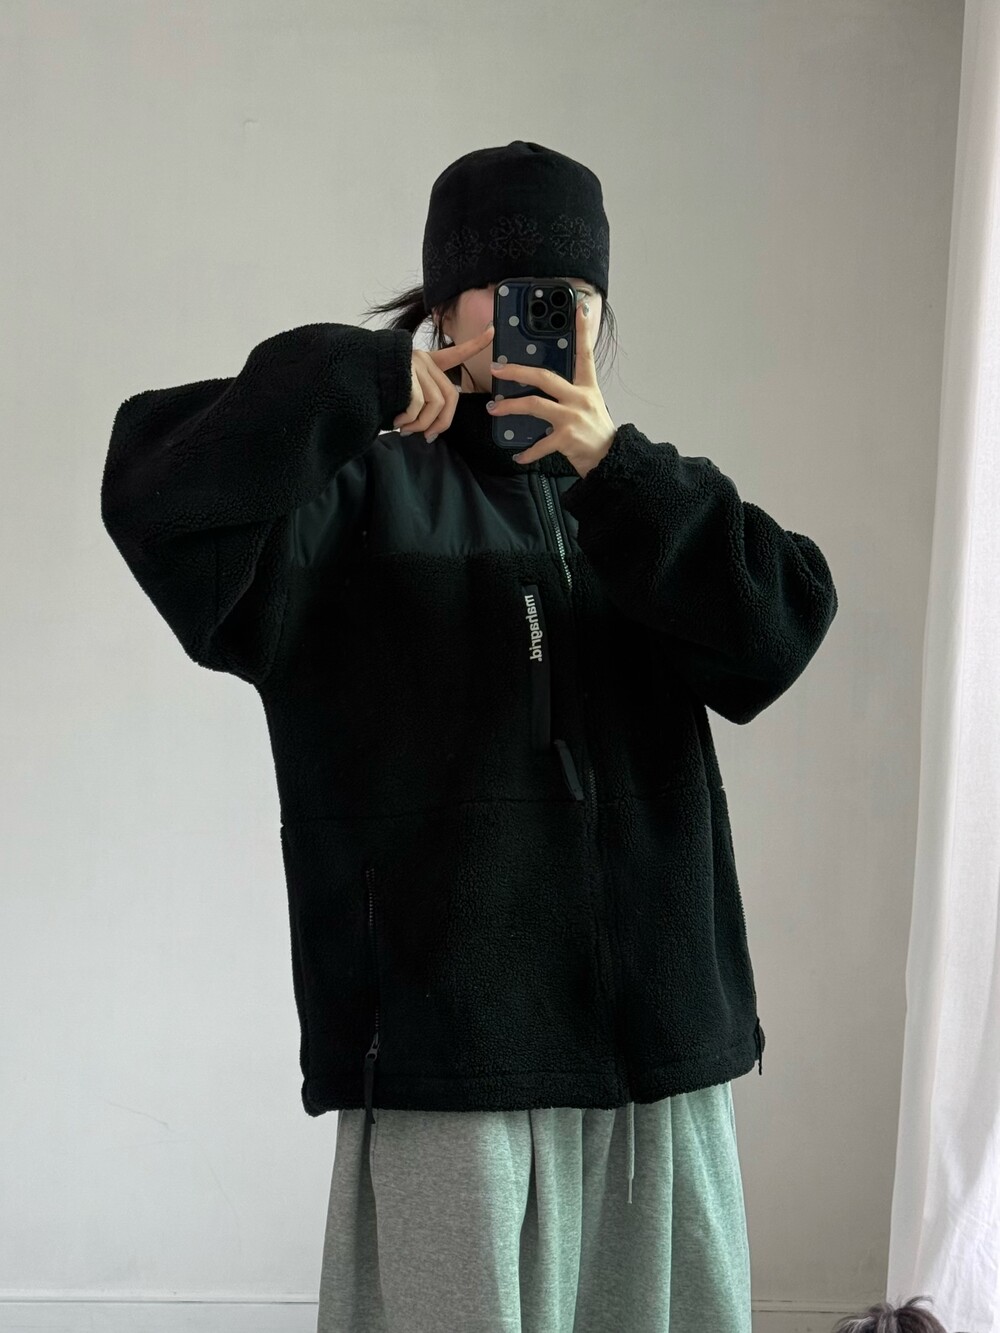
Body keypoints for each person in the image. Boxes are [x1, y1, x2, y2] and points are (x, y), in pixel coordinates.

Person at [101, 140, 840, 1332]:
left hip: (657, 1057)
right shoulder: (348, 500)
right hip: (451, 1054)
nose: (543, 314)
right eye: (506, 286)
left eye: (573, 292)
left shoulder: (641, 501)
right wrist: (356, 383)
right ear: (442, 307)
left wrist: (614, 471)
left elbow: (779, 631)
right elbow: (153, 489)